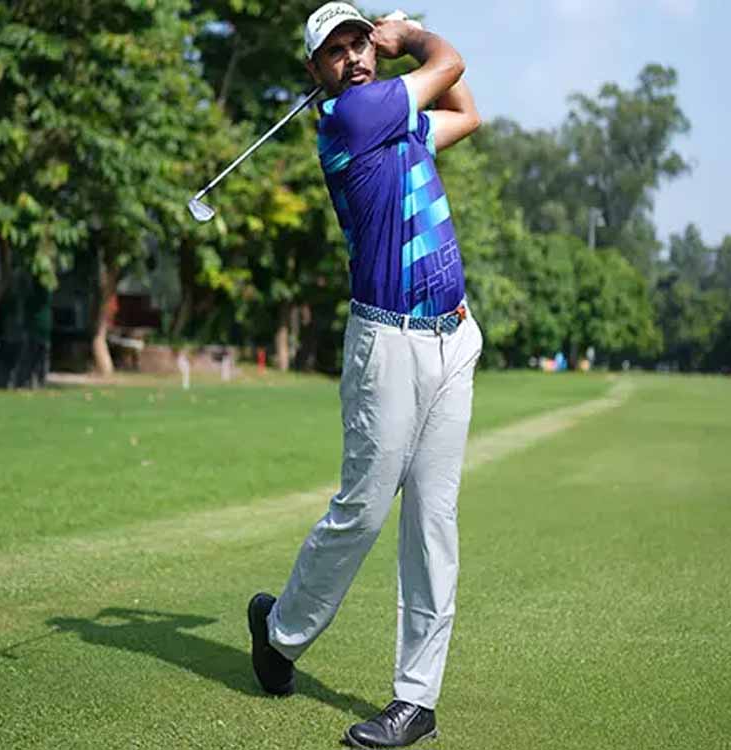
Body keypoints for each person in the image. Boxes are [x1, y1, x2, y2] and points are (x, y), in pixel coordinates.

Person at [247, 3, 482, 747]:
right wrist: (407, 36)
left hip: (453, 337)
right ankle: (280, 633)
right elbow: (449, 65)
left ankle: (417, 701)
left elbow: (467, 114)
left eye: (361, 44)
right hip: (388, 345)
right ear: (316, 72)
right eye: (337, 51)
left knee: (433, 521)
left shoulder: (397, 126)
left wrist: (403, 51)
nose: (354, 58)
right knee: (363, 512)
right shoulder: (352, 119)